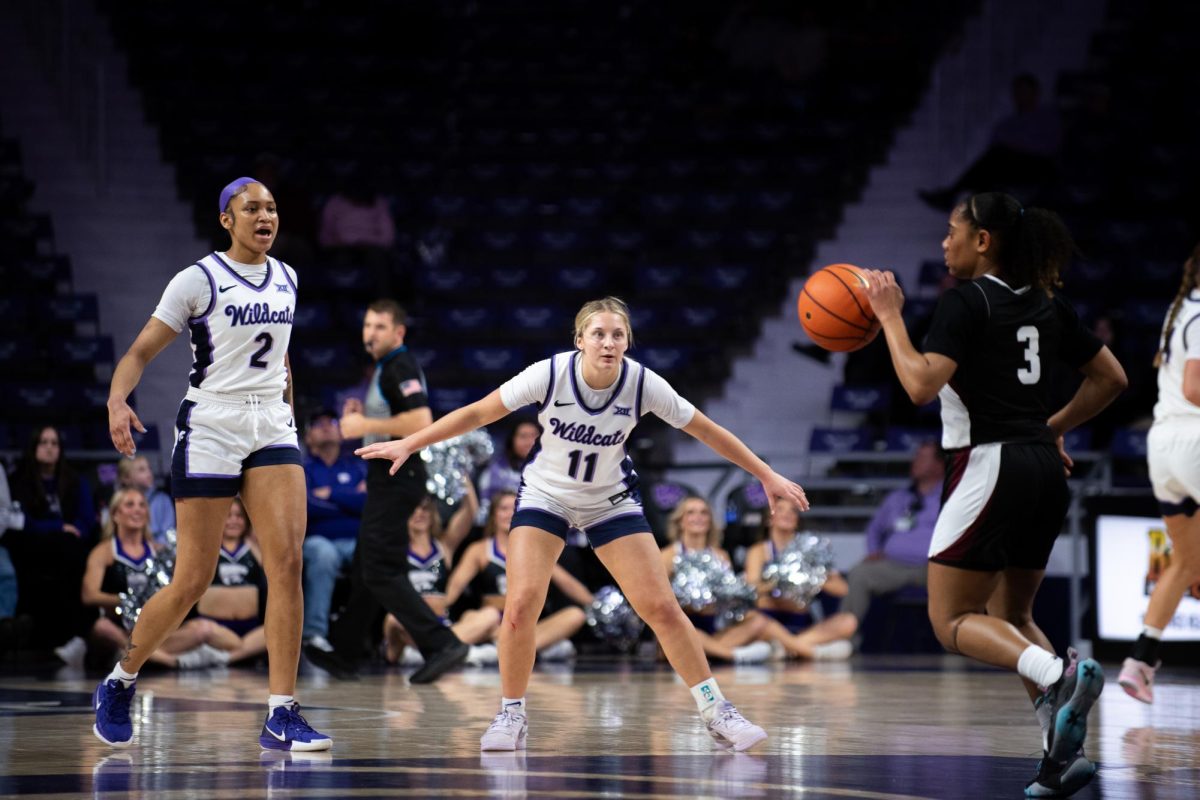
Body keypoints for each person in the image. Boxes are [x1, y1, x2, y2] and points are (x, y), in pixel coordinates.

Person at [357, 296, 811, 753]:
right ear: (579, 340)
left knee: (662, 608)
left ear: (628, 342)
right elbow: (479, 412)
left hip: (608, 500)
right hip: (545, 495)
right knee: (521, 604)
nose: (608, 342)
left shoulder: (642, 384)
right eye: (598, 333)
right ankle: (510, 713)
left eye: (617, 334)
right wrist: (410, 443)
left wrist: (765, 474)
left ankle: (717, 711)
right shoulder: (550, 374)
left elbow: (707, 430)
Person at [862, 192, 1127, 797]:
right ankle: (1060, 759)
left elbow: (920, 386)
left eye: (952, 231)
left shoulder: (966, 301)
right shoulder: (1047, 304)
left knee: (951, 619)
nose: (943, 242)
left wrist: (890, 318)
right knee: (1014, 615)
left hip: (989, 464)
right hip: (1042, 468)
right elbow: (1113, 378)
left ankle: (1055, 677)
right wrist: (1053, 428)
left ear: (983, 240)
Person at [94, 177, 330, 751]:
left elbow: (282, 358)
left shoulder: (288, 277)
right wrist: (118, 400)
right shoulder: (197, 279)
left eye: (272, 207)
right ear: (227, 219)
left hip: (271, 422)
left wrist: (288, 420)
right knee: (191, 581)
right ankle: (121, 679)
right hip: (212, 424)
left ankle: (281, 712)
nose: (265, 216)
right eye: (252, 208)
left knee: (288, 563)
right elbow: (141, 350)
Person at [313, 299, 470, 683]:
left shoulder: (399, 364)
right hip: (388, 478)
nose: (371, 333)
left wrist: (360, 423)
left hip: (398, 477)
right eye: (367, 326)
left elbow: (420, 420)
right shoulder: (387, 368)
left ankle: (441, 643)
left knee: (381, 569)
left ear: (398, 332)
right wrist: (363, 420)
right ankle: (347, 650)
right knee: (369, 567)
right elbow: (391, 420)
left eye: (380, 327)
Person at [1118, 241, 1200, 704]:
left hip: (1164, 447)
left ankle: (1140, 662)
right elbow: (1194, 386)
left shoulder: (1181, 306)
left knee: (1187, 562)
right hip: (1193, 438)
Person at [777, 441, 943, 653]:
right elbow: (874, 528)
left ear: (939, 464)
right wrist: (874, 550)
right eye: (916, 456)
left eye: (923, 457)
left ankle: (954, 643)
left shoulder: (948, 496)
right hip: (894, 566)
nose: (916, 461)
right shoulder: (898, 498)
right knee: (859, 573)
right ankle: (845, 639)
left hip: (931, 567)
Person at [434, 490, 591, 667]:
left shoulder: (535, 550)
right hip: (492, 622)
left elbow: (568, 584)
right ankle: (523, 649)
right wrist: (436, 612)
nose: (509, 513)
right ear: (493, 515)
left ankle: (498, 651)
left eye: (515, 508)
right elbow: (455, 586)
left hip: (525, 625)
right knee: (486, 616)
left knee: (575, 615)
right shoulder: (479, 550)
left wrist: (594, 603)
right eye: (503, 508)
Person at [81, 488, 221, 669]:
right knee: (102, 628)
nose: (137, 510)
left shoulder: (160, 551)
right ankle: (169, 661)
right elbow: (89, 595)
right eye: (129, 505)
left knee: (201, 629)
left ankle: (136, 658)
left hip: (153, 630)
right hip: (121, 629)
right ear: (115, 514)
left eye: (142, 505)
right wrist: (126, 601)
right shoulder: (104, 551)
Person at [383, 489, 511, 667]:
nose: (419, 513)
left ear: (433, 513)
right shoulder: (395, 549)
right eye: (414, 509)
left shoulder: (444, 546)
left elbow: (470, 510)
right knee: (392, 619)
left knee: (488, 616)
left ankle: (439, 652)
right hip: (411, 622)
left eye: (425, 509)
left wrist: (460, 471)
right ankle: (454, 652)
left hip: (440, 623)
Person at [5, 425, 93, 660]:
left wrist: (71, 531)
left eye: (54, 443)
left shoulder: (75, 480)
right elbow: (19, 521)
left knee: (73, 551)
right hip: (34, 544)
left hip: (68, 547)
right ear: (34, 447)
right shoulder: (19, 481)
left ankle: (77, 636)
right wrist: (57, 527)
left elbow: (86, 520)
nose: (49, 448)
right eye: (44, 442)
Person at [659, 496, 780, 665]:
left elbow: (728, 597)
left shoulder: (721, 555)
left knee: (758, 621)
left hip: (713, 629)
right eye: (691, 513)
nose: (698, 517)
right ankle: (734, 655)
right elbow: (659, 600)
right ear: (680, 522)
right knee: (691, 634)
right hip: (681, 629)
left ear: (710, 521)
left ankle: (706, 653)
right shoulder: (667, 556)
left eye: (704, 513)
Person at [918, 74, 1064, 211]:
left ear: (1035, 93)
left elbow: (1050, 147)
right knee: (990, 169)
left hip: (1037, 166)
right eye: (1018, 92)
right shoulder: (1007, 124)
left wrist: (1017, 146)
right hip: (1009, 167)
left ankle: (952, 195)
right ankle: (964, 204)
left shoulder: (1047, 118)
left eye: (1025, 91)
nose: (1021, 96)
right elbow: (994, 145)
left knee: (996, 159)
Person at [740, 497, 855, 660]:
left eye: (792, 510)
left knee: (848, 621)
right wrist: (779, 581)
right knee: (754, 621)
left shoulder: (811, 549)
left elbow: (842, 589)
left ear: (797, 520)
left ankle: (788, 648)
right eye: (780, 509)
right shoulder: (758, 551)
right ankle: (812, 652)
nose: (787, 514)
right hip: (768, 620)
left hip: (802, 621)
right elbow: (751, 589)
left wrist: (811, 578)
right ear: (769, 519)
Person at [300, 409, 366, 654]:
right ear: (308, 437)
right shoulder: (302, 468)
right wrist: (350, 498)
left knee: (374, 554)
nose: (327, 426)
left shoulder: (358, 465)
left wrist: (331, 494)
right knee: (324, 554)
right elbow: (305, 505)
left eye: (332, 422)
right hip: (316, 540)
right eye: (318, 423)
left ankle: (362, 637)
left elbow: (369, 503)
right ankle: (314, 635)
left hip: (354, 540)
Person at [194, 498, 269, 665]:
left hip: (251, 628)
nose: (234, 521)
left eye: (239, 516)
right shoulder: (207, 548)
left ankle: (226, 658)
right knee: (201, 630)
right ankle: (242, 651)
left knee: (279, 630)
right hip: (215, 629)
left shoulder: (255, 550)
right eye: (228, 516)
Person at [475, 418, 540, 525]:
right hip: (506, 530)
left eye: (535, 436)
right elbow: (486, 515)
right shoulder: (495, 472)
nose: (530, 442)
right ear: (512, 440)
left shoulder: (554, 469)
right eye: (523, 436)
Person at [115, 455, 175, 543]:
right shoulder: (118, 501)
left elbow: (169, 532)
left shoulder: (162, 500)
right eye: (141, 470)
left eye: (149, 468)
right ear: (126, 478)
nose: (149, 473)